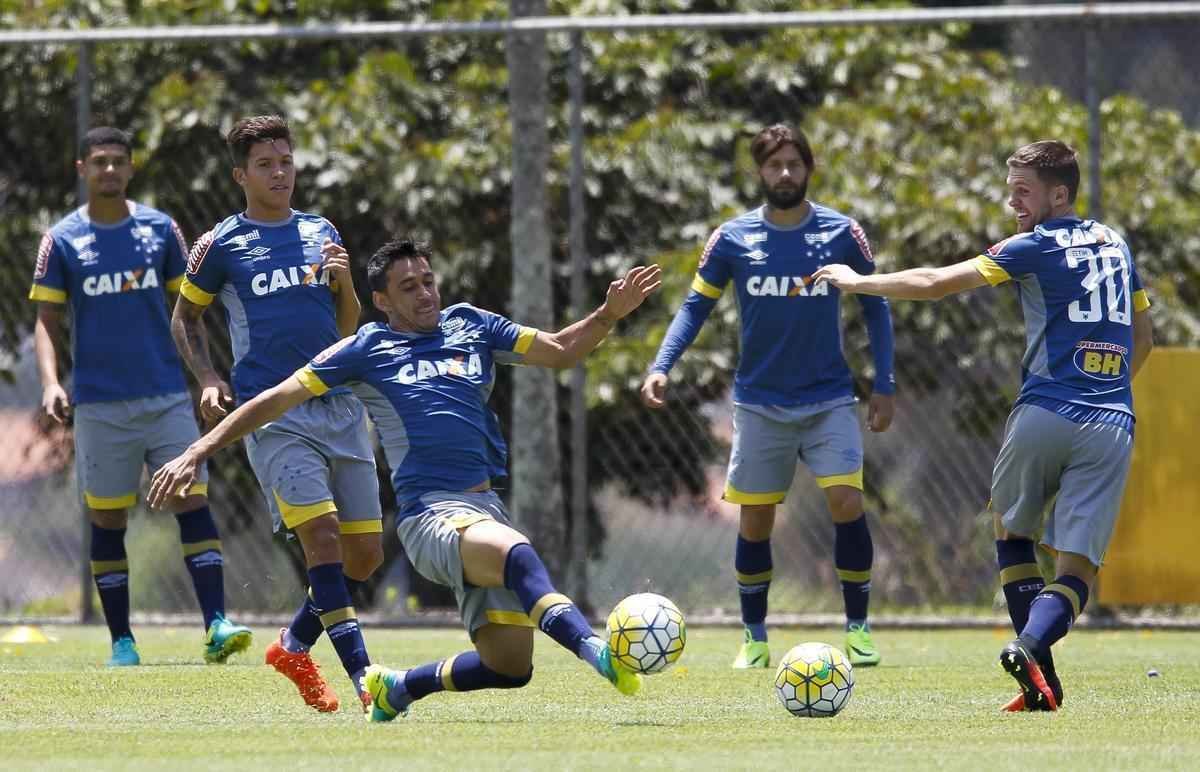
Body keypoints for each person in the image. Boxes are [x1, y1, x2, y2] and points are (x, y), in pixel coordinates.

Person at [150, 238, 661, 721]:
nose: (425, 293)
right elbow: (275, 399)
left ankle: (396, 688)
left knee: (509, 666)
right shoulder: (367, 348)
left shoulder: (472, 325)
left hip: (485, 508)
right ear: (382, 301)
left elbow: (559, 349)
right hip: (430, 514)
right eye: (409, 287)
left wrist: (608, 314)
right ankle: (597, 652)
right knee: (516, 554)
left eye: (428, 281)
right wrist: (197, 450)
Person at [812, 139, 1155, 711]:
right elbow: (1144, 337)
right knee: (1076, 572)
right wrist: (1112, 388)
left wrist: (856, 281)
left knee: (1011, 534)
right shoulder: (1115, 243)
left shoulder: (1032, 246)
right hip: (1111, 421)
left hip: (1044, 412)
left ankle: (1035, 670)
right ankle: (1033, 656)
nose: (1013, 203)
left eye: (1023, 191)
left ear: (1058, 195)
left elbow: (935, 282)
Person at [640, 124, 895, 669]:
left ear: (809, 169)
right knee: (755, 520)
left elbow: (875, 307)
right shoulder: (732, 239)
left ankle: (858, 629)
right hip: (759, 405)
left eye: (794, 164)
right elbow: (695, 308)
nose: (784, 173)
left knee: (847, 503)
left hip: (829, 399)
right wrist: (661, 365)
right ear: (759, 171)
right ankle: (754, 639)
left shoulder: (842, 233)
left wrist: (885, 384)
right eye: (774, 164)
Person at [172, 115, 383, 712]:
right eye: (265, 164)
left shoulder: (321, 231)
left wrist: (345, 284)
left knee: (364, 556)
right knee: (322, 538)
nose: (279, 172)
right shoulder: (220, 243)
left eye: (286, 161)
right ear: (240, 176)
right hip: (273, 413)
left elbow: (347, 329)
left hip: (339, 404)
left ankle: (293, 645)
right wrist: (208, 377)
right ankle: (368, 682)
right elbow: (185, 318)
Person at [29, 126, 252, 667]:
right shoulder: (61, 239)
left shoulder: (160, 230)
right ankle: (122, 642)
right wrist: (52, 382)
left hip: (166, 397)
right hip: (99, 404)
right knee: (108, 520)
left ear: (131, 168)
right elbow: (46, 321)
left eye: (118, 161)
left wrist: (205, 376)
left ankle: (216, 625)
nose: (109, 169)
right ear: (82, 169)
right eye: (99, 161)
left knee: (192, 500)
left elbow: (189, 312)